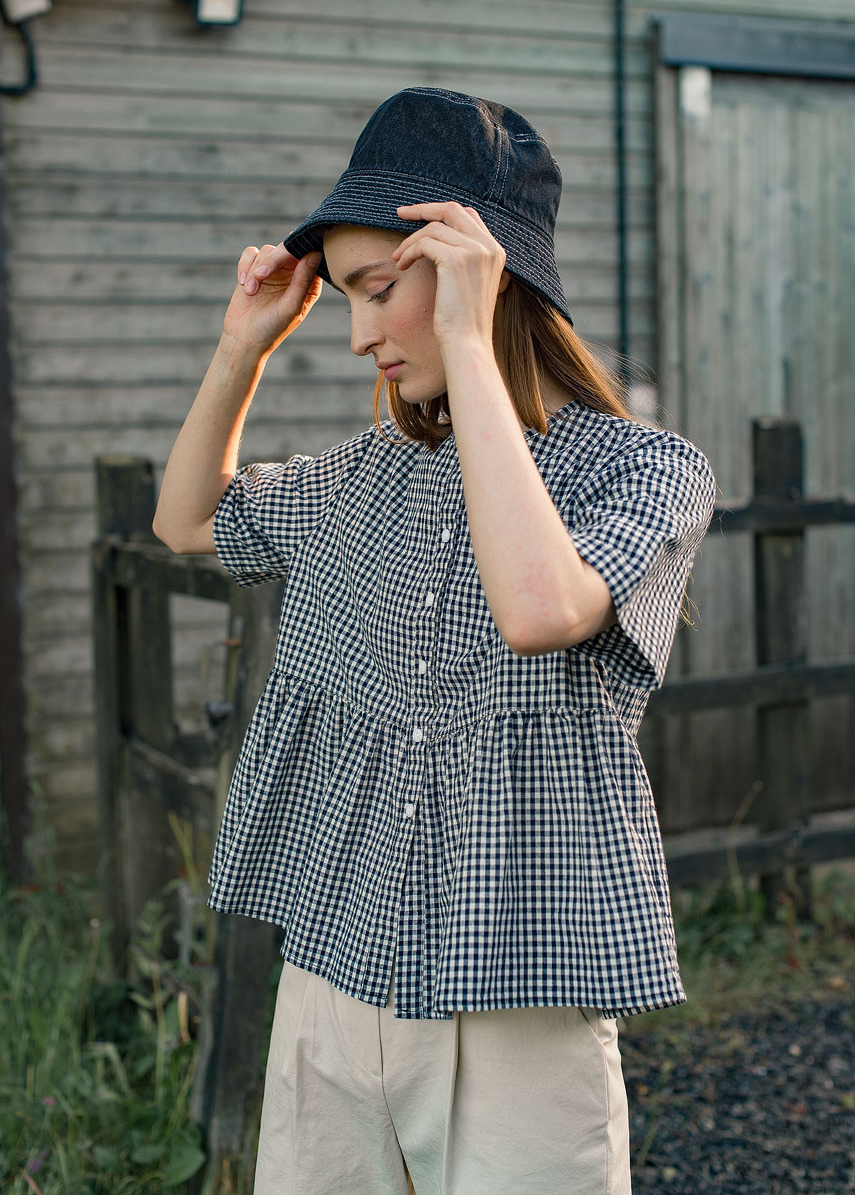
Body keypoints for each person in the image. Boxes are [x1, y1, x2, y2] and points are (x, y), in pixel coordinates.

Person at [153, 86, 717, 1195]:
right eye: (348, 297)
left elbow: (540, 610)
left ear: (481, 268)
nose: (359, 334)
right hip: (331, 973)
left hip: (519, 993)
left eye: (379, 288)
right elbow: (187, 520)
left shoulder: (644, 469)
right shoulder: (358, 478)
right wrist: (240, 347)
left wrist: (467, 339)